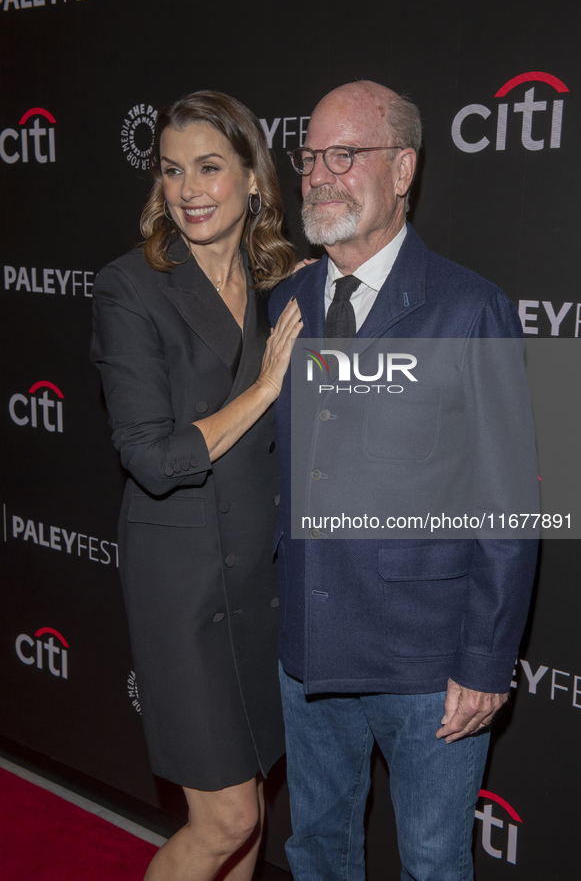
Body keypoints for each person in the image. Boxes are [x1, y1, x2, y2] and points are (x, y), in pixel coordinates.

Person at [269, 81, 538, 881]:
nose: (320, 174)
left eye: (345, 155)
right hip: (307, 654)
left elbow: (511, 504)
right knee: (315, 850)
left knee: (431, 863)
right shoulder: (283, 302)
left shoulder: (472, 306)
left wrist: (487, 661)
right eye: (311, 155)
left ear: (403, 169)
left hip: (425, 663)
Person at [90, 90, 302, 881]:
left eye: (210, 167)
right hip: (182, 582)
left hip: (261, 578)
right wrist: (263, 389)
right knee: (227, 818)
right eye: (172, 170)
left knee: (248, 816)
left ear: (253, 179)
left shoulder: (278, 279)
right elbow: (150, 457)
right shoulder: (131, 287)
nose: (188, 189)